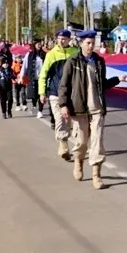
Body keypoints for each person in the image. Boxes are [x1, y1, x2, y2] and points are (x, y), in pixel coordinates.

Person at [58, 30, 127, 190]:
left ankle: (97, 175)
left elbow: (102, 83)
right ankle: (79, 163)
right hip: (79, 108)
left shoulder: (99, 61)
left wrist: (117, 80)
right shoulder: (73, 61)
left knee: (97, 143)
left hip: (97, 109)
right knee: (81, 142)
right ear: (81, 43)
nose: (91, 46)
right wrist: (63, 105)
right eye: (88, 43)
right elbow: (64, 85)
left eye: (92, 43)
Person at [38, 29, 78, 159]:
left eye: (64, 38)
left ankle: (72, 142)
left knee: (69, 121)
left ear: (69, 39)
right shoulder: (51, 55)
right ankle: (63, 144)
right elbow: (43, 74)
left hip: (72, 92)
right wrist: (42, 92)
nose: (62, 41)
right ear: (57, 39)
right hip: (55, 92)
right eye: (60, 38)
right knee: (60, 119)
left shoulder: (75, 53)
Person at [22, 41, 46, 118]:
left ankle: (40, 111)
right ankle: (34, 105)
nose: (39, 45)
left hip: (41, 78)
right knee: (33, 94)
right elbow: (24, 66)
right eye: (38, 44)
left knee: (41, 94)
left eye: (40, 44)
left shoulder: (44, 55)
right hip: (32, 77)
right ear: (34, 45)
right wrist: (21, 76)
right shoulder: (29, 55)